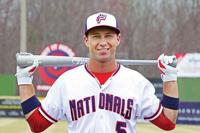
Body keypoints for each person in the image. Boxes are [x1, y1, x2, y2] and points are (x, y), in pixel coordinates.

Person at [16, 12, 179, 133]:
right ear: (86, 40)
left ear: (118, 39)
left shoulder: (136, 81)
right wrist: (24, 82)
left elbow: (168, 122)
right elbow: (37, 124)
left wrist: (170, 79)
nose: (102, 42)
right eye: (96, 36)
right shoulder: (67, 82)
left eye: (108, 35)